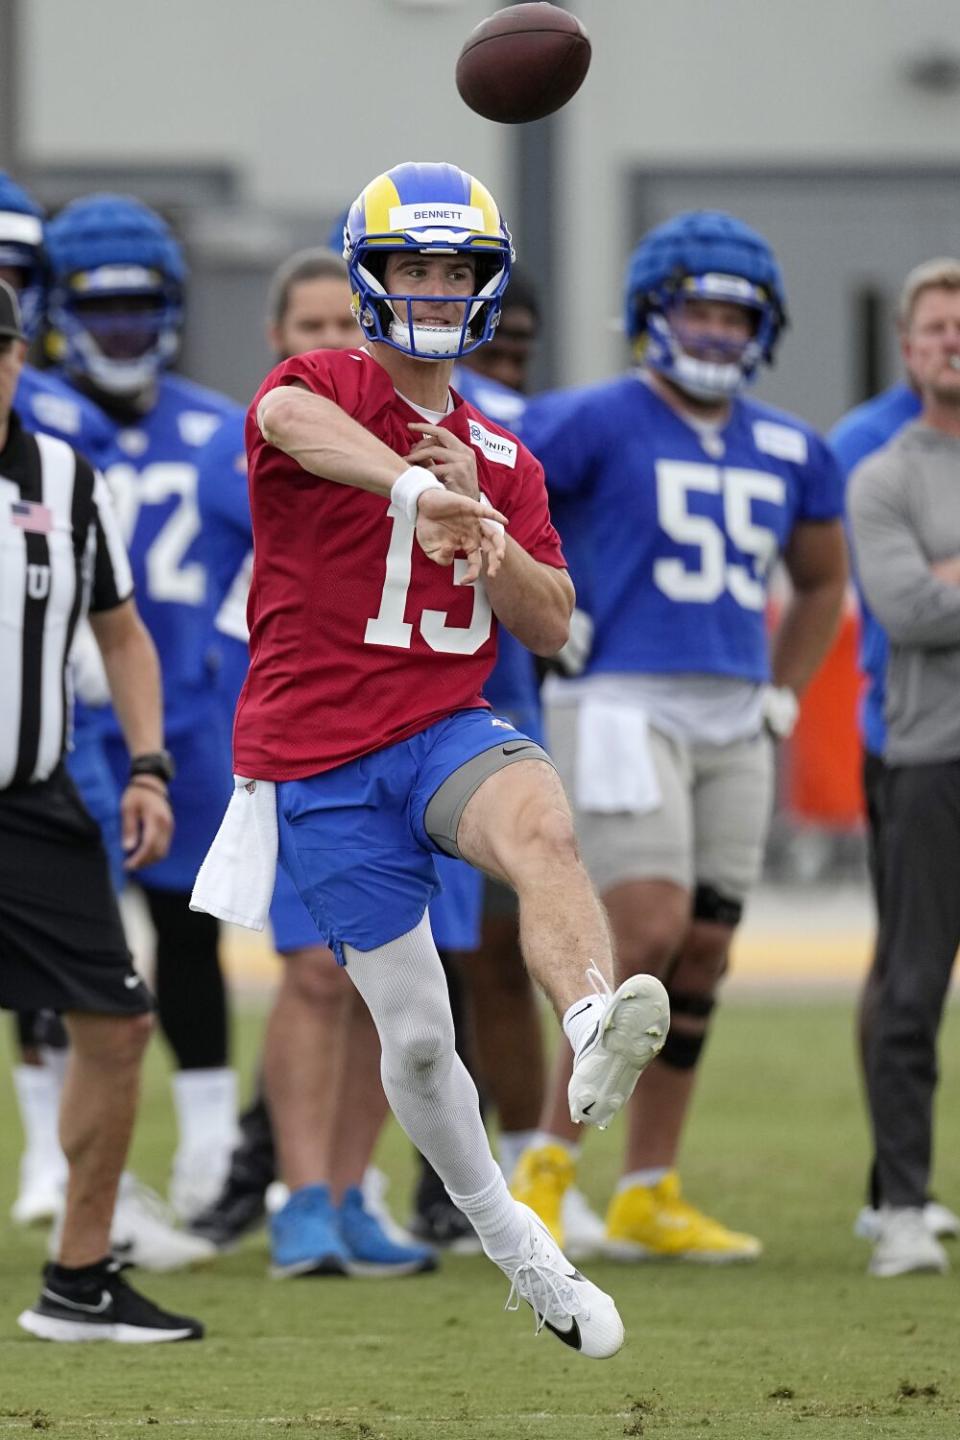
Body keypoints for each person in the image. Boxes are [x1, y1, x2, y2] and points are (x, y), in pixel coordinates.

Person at [193, 160, 669, 1359]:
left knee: (542, 829)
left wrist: (488, 526)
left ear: (486, 286)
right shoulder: (327, 383)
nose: (436, 286)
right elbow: (283, 421)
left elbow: (553, 621)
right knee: (413, 1036)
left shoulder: (505, 455)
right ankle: (517, 1244)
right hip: (320, 757)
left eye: (456, 268)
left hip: (446, 727)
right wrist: (414, 486)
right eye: (416, 264)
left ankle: (592, 1020)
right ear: (371, 277)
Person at [515, 210, 848, 1261]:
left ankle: (648, 1187)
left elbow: (823, 577)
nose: (712, 330)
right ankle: (548, 1164)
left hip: (733, 705)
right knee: (645, 926)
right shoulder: (588, 419)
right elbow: (500, 503)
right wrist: (549, 621)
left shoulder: (793, 444)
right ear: (653, 314)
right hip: (617, 695)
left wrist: (786, 689)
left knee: (706, 946)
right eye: (695, 308)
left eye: (733, 313)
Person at [191, 247, 434, 1277]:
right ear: (277, 342)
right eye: (311, 329)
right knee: (310, 977)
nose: (334, 344)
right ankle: (299, 1198)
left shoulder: (439, 427)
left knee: (405, 990)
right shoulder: (261, 430)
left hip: (417, 727)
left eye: (350, 325)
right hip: (310, 729)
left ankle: (349, 1191)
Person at [0, 279, 203, 1343]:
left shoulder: (67, 479)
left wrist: (149, 765)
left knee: (118, 1023)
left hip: (34, 801)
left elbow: (123, 633)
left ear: (17, 361)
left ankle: (79, 1280)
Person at [44, 194, 243, 1221]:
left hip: (190, 711)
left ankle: (211, 1145)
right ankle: (56, 1162)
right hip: (57, 714)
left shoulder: (216, 424)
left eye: (140, 306)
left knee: (190, 925)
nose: (122, 328)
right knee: (62, 939)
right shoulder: (27, 413)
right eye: (100, 307)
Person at [828, 282, 960, 1250]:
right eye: (937, 329)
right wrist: (931, 581)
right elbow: (910, 610)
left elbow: (935, 589)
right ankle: (903, 1208)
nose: (954, 343)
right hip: (929, 755)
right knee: (913, 985)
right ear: (907, 350)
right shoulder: (883, 474)